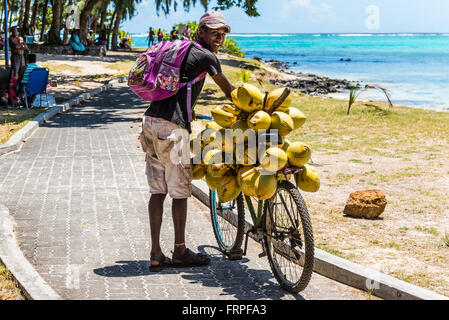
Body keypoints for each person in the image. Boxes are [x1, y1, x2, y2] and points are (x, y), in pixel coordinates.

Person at [139, 12, 234, 271]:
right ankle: (180, 251)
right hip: (173, 130)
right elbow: (226, 86)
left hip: (151, 123)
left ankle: (156, 253)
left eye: (223, 33)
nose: (220, 37)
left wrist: (189, 107)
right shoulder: (205, 56)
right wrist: (249, 106)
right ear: (201, 31)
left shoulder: (183, 50)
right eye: (214, 32)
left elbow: (181, 85)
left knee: (158, 190)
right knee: (180, 191)